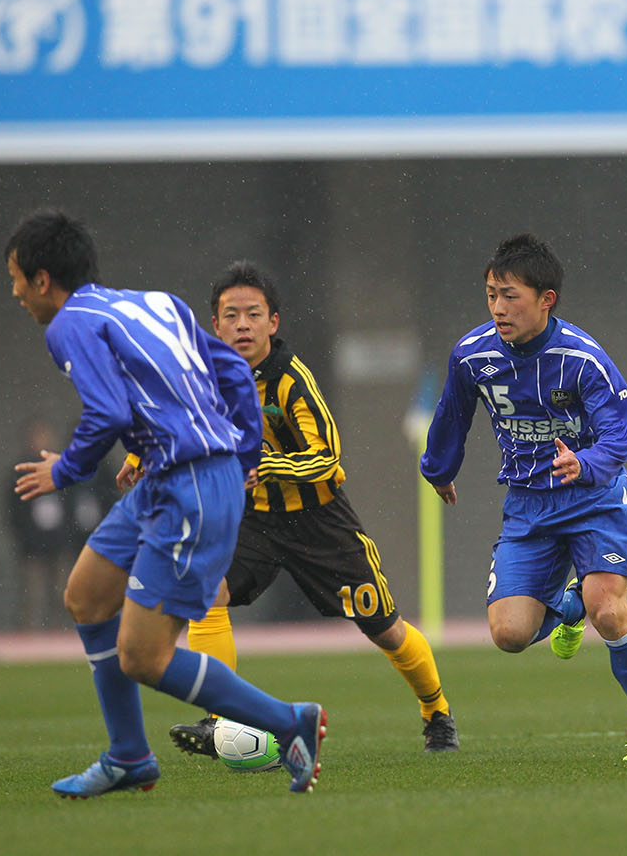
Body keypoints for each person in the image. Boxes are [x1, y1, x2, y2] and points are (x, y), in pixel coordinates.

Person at [4, 210, 326, 798]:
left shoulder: (67, 326)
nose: (16, 292)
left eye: (17, 279)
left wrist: (66, 469)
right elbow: (229, 366)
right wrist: (247, 449)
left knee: (143, 657)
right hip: (172, 478)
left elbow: (108, 413)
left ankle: (287, 720)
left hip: (191, 486)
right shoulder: (154, 302)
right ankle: (129, 756)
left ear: (43, 278)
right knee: (86, 595)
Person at [167, 261, 458, 758]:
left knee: (384, 627)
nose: (242, 324)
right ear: (213, 326)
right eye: (230, 315)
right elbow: (173, 422)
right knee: (203, 592)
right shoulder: (202, 378)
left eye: (252, 314)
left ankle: (438, 713)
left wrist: (269, 465)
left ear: (273, 323)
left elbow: (327, 457)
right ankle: (219, 722)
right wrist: (135, 457)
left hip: (320, 522)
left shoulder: (292, 381)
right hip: (254, 519)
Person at [419, 233, 627, 762]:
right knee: (509, 634)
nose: (498, 307)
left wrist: (588, 463)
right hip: (527, 507)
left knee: (610, 610)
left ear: (545, 299)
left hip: (592, 497)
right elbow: (452, 414)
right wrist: (439, 469)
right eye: (491, 294)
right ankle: (568, 608)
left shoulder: (582, 359)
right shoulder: (471, 355)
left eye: (510, 296)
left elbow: (620, 429)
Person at [8, 417, 89, 630]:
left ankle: (59, 634)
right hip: (33, 545)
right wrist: (24, 537)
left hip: (58, 542)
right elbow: (13, 510)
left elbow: (71, 502)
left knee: (60, 593)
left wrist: (68, 534)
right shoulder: (21, 469)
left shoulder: (61, 466)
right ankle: (30, 635)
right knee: (33, 594)